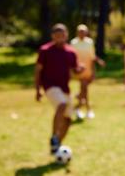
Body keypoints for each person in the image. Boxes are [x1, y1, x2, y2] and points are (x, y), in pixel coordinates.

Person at [35, 23, 84, 154]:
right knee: (61, 105)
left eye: (62, 36)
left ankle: (56, 146)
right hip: (49, 86)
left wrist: (80, 69)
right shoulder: (45, 50)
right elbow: (38, 71)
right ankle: (54, 138)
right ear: (53, 36)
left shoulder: (71, 52)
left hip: (64, 88)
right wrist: (37, 90)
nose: (60, 39)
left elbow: (75, 70)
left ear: (66, 36)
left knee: (68, 119)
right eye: (57, 36)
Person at [71, 24, 105, 119]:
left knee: (84, 90)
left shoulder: (89, 42)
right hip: (78, 70)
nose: (82, 33)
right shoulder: (73, 43)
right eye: (80, 31)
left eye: (83, 31)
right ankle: (87, 110)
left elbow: (92, 56)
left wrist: (98, 62)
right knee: (84, 88)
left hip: (88, 69)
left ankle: (78, 106)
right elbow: (72, 58)